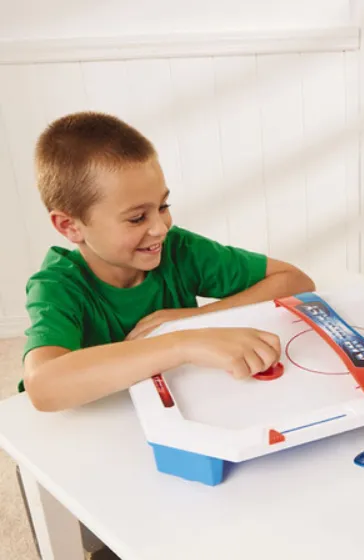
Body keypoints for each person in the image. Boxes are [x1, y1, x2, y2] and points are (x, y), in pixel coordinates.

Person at [22, 111, 315, 412]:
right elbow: (43, 387)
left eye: (163, 206)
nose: (160, 228)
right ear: (70, 226)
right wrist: (180, 343)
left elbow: (296, 282)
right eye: (137, 218)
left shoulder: (178, 250)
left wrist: (194, 318)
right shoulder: (57, 287)